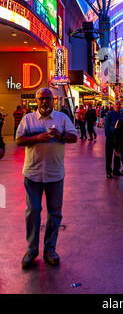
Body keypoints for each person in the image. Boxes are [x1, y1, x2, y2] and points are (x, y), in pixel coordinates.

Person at [16, 88, 77, 268]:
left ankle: (50, 248)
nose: (44, 102)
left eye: (47, 99)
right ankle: (31, 250)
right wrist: (37, 138)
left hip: (55, 174)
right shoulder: (28, 119)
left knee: (54, 212)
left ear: (53, 100)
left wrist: (61, 135)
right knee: (33, 210)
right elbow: (19, 140)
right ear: (36, 100)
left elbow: (74, 137)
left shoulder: (62, 118)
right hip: (32, 174)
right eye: (41, 99)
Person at [104, 101, 123, 178]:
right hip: (110, 136)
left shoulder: (121, 115)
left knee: (117, 154)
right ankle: (108, 172)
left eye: (119, 104)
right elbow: (106, 125)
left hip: (118, 137)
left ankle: (116, 170)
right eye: (117, 104)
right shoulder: (109, 114)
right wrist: (108, 135)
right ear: (114, 106)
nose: (118, 106)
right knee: (109, 155)